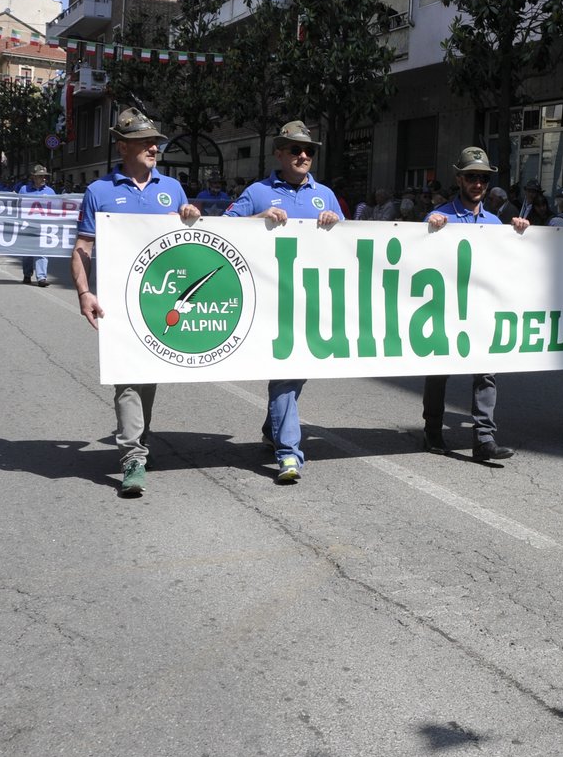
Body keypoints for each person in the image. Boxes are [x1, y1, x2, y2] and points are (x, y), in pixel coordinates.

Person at [71, 108, 203, 498]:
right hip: (119, 302)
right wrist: (84, 292)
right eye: (146, 141)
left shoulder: (173, 188)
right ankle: (132, 457)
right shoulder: (99, 191)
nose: (154, 147)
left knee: (147, 378)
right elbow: (83, 248)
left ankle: (138, 441)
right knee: (127, 379)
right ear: (122, 147)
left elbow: (189, 242)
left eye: (156, 142)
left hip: (161, 299)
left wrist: (192, 217)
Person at [221, 121, 342, 483]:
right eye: (295, 149)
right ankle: (289, 453)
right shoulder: (257, 192)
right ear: (279, 153)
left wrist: (336, 222)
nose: (303, 155)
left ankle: (273, 428)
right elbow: (223, 229)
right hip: (270, 300)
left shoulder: (326, 195)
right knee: (287, 375)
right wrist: (258, 218)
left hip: (311, 298)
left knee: (297, 372)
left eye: (309, 151)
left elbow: (350, 247)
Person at [422, 146, 531, 463]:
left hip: (480, 307)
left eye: (483, 178)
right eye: (472, 177)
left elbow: (509, 261)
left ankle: (484, 437)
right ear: (459, 179)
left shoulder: (496, 224)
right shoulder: (440, 215)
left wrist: (519, 235)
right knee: (438, 370)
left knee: (486, 371)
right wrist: (431, 226)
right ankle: (432, 430)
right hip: (445, 306)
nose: (478, 183)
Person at [17, 164, 56, 286]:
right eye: (40, 176)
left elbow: (57, 208)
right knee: (27, 253)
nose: (44, 178)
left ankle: (41, 278)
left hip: (43, 226)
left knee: (42, 251)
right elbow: (16, 206)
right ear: (33, 177)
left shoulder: (50, 192)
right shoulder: (24, 190)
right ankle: (27, 275)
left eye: (44, 176)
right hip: (27, 226)